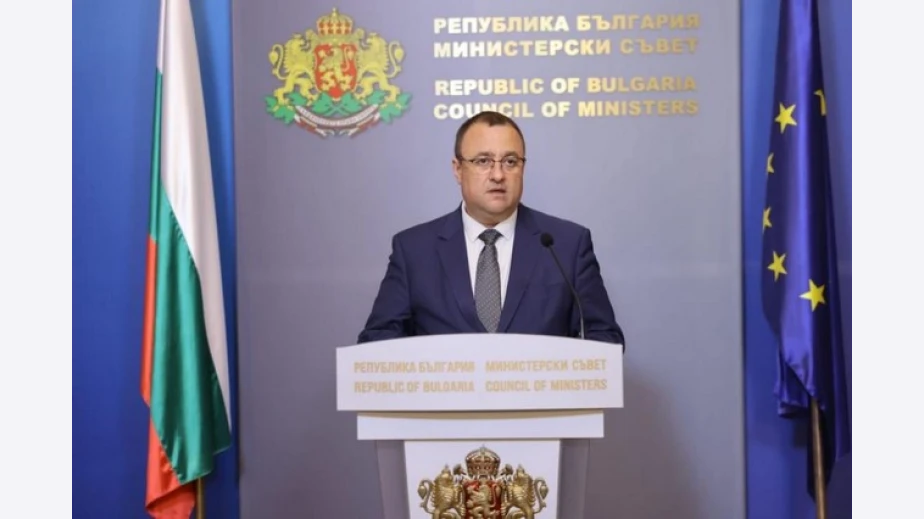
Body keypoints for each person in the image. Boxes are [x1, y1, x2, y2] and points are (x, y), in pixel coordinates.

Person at [357, 111, 625, 346]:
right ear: (458, 169)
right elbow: (378, 340)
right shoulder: (414, 250)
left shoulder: (565, 245)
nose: (498, 175)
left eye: (510, 161)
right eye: (483, 161)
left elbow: (604, 338)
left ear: (523, 168)